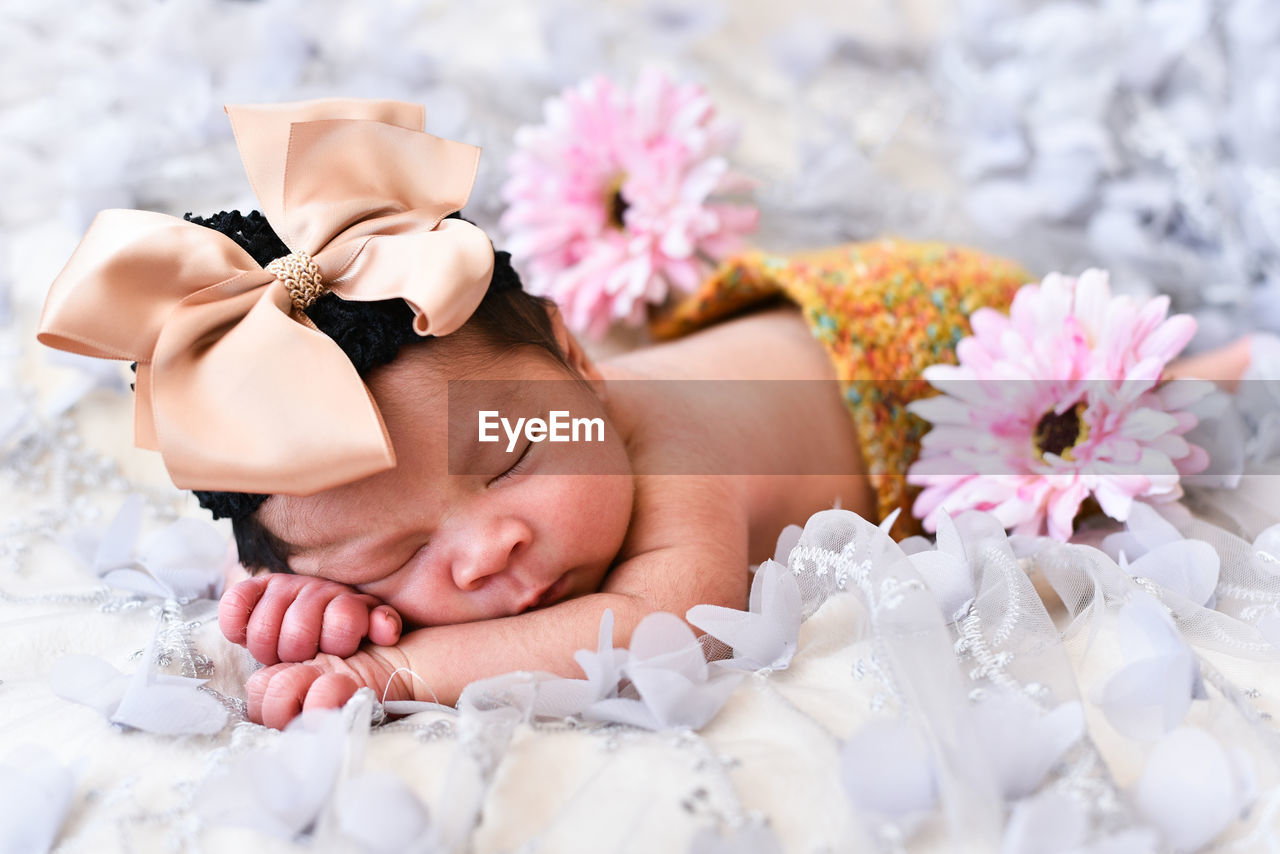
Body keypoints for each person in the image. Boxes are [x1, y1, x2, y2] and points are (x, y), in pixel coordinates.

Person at [37, 98, 1260, 729]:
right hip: (767, 346)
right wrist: (319, 604)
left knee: (1127, 422)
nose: (485, 548)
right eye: (393, 556)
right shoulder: (499, 437)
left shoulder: (667, 463)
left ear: (573, 366)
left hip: (946, 351)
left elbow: (665, 624)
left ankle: (1200, 366)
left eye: (507, 455)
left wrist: (400, 654)